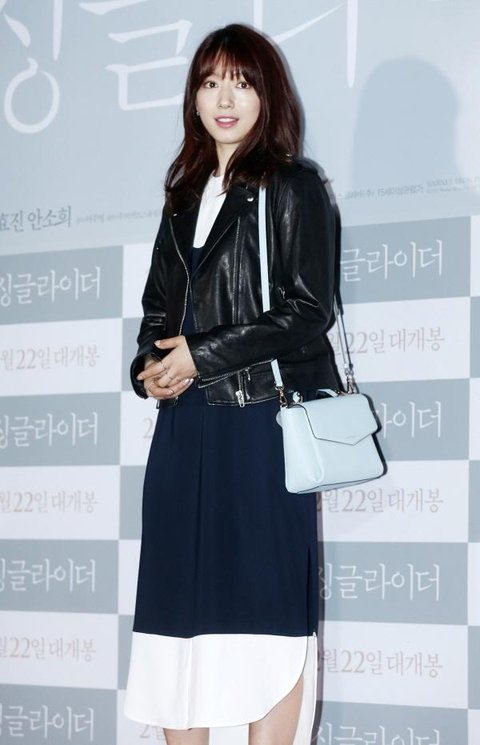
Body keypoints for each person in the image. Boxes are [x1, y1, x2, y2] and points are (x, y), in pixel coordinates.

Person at [124, 23, 339, 745]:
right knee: (175, 620)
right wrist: (149, 370)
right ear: (193, 96)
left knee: (266, 617)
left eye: (242, 83)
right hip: (184, 430)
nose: (225, 98)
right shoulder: (182, 196)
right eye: (211, 82)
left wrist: (202, 356)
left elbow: (308, 311)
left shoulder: (293, 185)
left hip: (258, 427)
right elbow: (157, 314)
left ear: (266, 95)